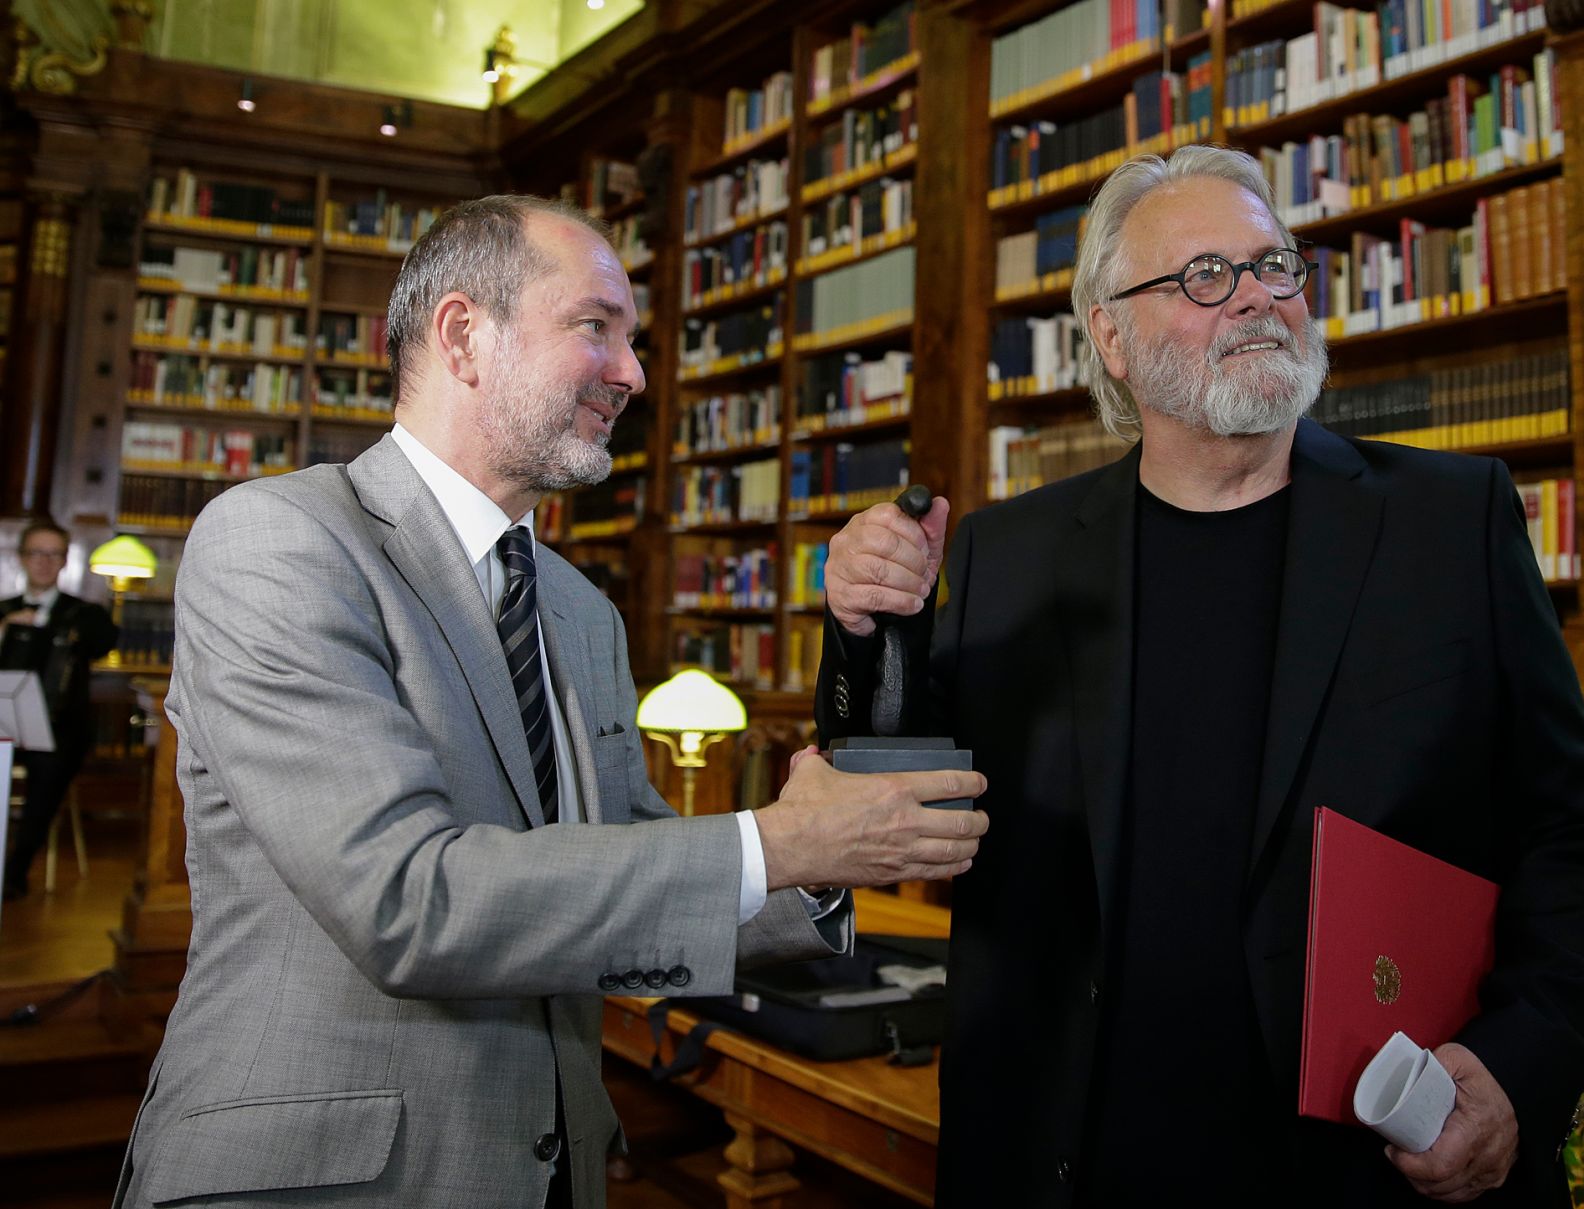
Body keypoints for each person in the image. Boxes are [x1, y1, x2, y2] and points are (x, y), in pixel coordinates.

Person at [113, 195, 988, 1209]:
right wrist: (778, 843)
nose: (633, 373)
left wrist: (827, 858)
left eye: (634, 340)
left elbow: (629, 874)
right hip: (326, 1182)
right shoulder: (277, 544)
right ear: (461, 334)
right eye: (594, 328)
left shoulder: (578, 610)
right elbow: (404, 902)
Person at [816, 146, 1584, 1206]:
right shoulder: (1004, 553)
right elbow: (893, 793)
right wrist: (869, 622)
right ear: (1108, 334)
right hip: (1071, 1150)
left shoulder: (1451, 523)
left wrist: (1519, 1064)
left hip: (1364, 1160)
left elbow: (1570, 832)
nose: (1256, 298)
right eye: (1205, 276)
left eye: (1274, 267)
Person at [2, 519, 119, 901]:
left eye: (53, 554)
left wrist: (48, 625)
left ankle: (13, 874)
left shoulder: (83, 614)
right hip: (3, 727)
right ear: (21, 558)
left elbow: (104, 641)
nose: (44, 562)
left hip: (58, 732)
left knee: (48, 775)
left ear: (65, 561)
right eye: (36, 552)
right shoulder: (3, 611)